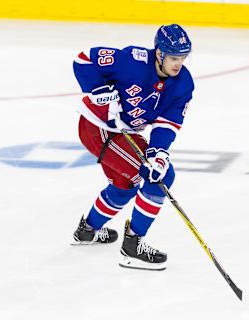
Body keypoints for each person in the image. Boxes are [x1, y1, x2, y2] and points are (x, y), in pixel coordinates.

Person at [71, 24, 194, 271]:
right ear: (159, 53)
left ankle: (87, 231)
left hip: (123, 131)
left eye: (182, 57)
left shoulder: (183, 84)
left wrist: (158, 153)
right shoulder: (133, 61)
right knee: (160, 179)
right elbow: (83, 59)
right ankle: (133, 247)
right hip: (99, 127)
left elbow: (167, 123)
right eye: (173, 57)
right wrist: (97, 90)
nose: (178, 64)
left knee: (126, 185)